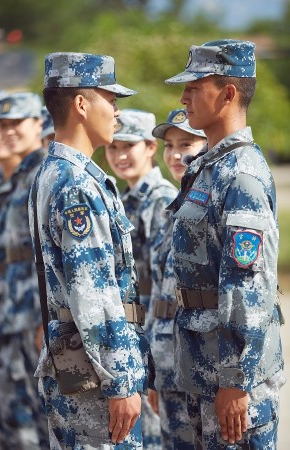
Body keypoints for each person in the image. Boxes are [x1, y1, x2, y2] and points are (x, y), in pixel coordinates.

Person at [164, 39, 285, 449]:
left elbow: (247, 285)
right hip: (203, 365)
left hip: (231, 377)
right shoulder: (209, 166)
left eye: (195, 87)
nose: (184, 97)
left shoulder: (242, 175)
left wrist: (235, 381)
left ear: (229, 93)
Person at [28, 52, 152, 449]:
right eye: (110, 100)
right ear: (81, 104)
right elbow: (92, 293)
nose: (116, 112)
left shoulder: (52, 173)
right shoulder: (77, 184)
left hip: (76, 365)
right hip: (95, 382)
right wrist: (120, 382)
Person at [105, 108, 178, 450]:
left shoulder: (160, 199)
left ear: (150, 147)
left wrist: (155, 361)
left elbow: (164, 288)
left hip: (152, 336)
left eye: (128, 146)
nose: (119, 156)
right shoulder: (123, 199)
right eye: (113, 147)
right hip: (134, 333)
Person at [0, 93, 50, 449]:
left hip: (33, 324)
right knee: (6, 420)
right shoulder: (3, 182)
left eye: (14, 125)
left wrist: (47, 319)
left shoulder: (43, 178)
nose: (3, 134)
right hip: (4, 319)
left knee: (37, 421)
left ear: (38, 124)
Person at [147, 108, 206, 450]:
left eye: (185, 143)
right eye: (169, 145)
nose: (174, 154)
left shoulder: (209, 202)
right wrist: (155, 370)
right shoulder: (176, 205)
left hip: (199, 365)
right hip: (168, 361)